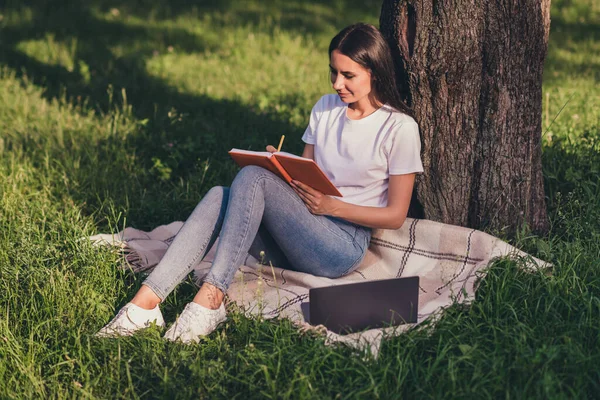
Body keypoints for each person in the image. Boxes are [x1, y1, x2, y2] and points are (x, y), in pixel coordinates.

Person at [96, 23, 424, 343]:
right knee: (219, 196)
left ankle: (211, 298)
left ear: (375, 73)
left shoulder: (399, 128)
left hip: (340, 246)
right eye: (333, 72)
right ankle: (145, 304)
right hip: (300, 231)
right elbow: (305, 176)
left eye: (348, 75)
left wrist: (332, 206)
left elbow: (395, 214)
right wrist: (280, 168)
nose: (337, 83)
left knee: (252, 179)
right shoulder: (325, 109)